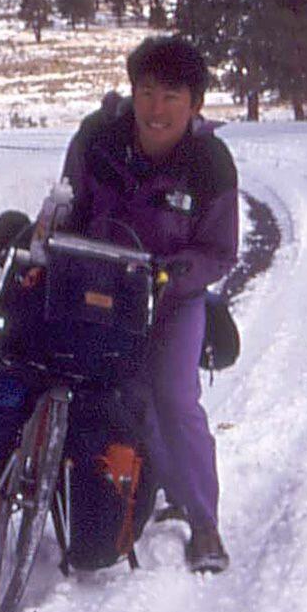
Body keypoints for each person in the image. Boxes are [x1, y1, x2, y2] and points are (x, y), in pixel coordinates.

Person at [49, 34, 238, 572]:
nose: (156, 109)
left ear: (195, 104)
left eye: (171, 96)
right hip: (98, 282)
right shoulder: (99, 136)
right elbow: (68, 203)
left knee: (174, 397)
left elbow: (220, 252)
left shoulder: (210, 163)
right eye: (147, 93)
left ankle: (203, 520)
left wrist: (176, 274)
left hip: (171, 295)